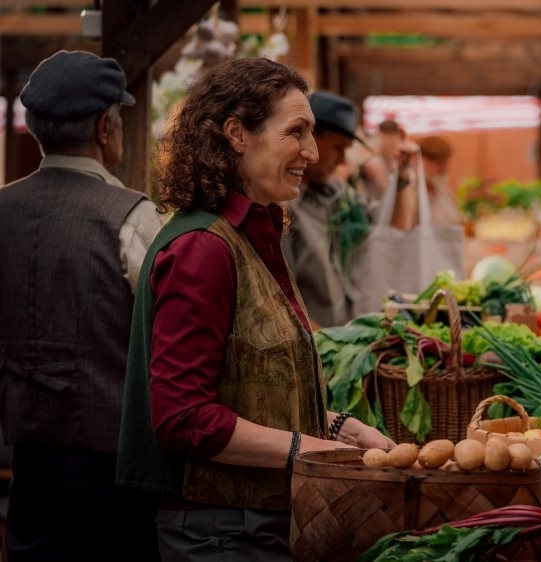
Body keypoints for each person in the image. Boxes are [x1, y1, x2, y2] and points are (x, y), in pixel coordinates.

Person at [115, 58, 395, 562]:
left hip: (252, 524)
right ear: (237, 134)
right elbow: (183, 417)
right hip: (220, 533)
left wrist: (336, 427)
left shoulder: (250, 234)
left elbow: (243, 388)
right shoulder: (203, 248)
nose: (311, 151)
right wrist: (308, 450)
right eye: (296, 132)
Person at [0, 50, 163, 561]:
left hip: (24, 458)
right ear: (105, 127)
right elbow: (168, 335)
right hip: (116, 469)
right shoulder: (134, 217)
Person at [282, 92, 421, 328]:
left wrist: (402, 176)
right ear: (308, 139)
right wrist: (327, 345)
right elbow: (282, 298)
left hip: (342, 337)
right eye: (337, 148)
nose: (342, 161)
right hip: (316, 346)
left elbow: (396, 227)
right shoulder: (284, 206)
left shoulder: (337, 194)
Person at [415, 135, 464, 227]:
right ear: (420, 161)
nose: (444, 169)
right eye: (439, 164)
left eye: (445, 163)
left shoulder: (444, 192)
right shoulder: (411, 194)